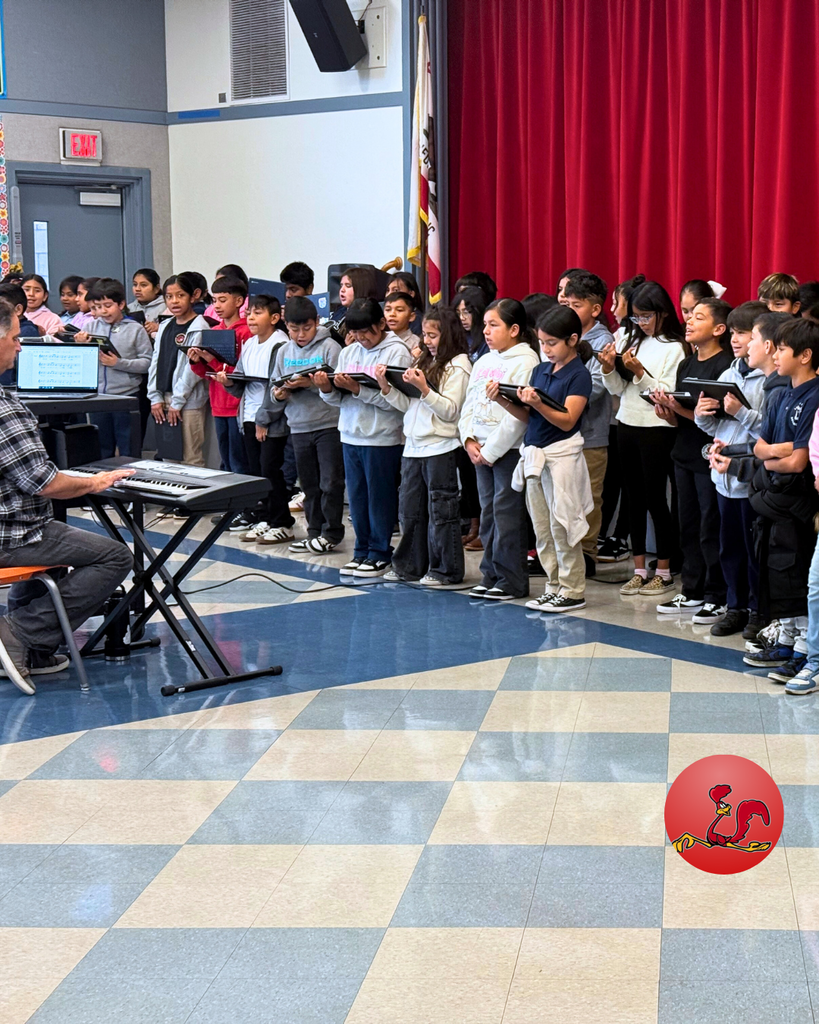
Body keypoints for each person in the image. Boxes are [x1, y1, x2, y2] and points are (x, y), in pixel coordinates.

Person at [0, 298, 135, 694]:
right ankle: (20, 634)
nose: (21, 347)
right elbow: (45, 483)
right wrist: (95, 481)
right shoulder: (5, 409)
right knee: (115, 556)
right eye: (14, 338)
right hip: (13, 534)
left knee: (61, 541)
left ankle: (35, 651)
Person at [489, 305, 593, 613]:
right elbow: (527, 416)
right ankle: (554, 585)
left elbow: (567, 420)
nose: (545, 349)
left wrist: (538, 403)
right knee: (543, 530)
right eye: (542, 343)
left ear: (572, 340)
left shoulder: (579, 375)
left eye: (551, 343)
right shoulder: (540, 370)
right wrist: (502, 399)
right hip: (535, 456)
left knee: (564, 526)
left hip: (562, 458)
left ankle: (573, 589)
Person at [599, 280, 687, 596]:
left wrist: (640, 373)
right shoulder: (631, 339)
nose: (641, 323)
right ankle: (638, 568)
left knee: (654, 499)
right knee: (633, 499)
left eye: (646, 316)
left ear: (662, 313)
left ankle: (662, 568)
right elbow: (618, 392)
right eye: (636, 317)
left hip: (657, 429)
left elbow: (664, 395)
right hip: (627, 423)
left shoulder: (674, 347)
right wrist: (610, 369)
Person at [743, 318, 819, 680]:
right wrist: (775, 452)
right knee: (774, 570)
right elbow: (760, 448)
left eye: (783, 348)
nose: (775, 353)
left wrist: (775, 453)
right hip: (772, 496)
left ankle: (806, 645)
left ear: (805, 355)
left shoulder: (815, 394)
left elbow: (799, 460)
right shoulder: (777, 394)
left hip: (799, 500)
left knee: (796, 572)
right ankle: (787, 636)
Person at [314, 297, 412, 575]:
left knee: (379, 497)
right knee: (356, 498)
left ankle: (380, 552)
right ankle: (361, 550)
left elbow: (399, 402)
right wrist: (327, 389)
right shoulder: (349, 352)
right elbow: (338, 402)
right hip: (350, 434)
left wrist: (359, 390)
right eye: (354, 333)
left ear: (381, 324)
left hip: (382, 437)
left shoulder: (397, 353)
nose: (360, 338)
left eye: (366, 332)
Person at [375, 305, 472, 585]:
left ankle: (446, 569)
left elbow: (451, 410)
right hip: (414, 445)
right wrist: (386, 386)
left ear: (448, 335)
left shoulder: (459, 364)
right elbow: (409, 404)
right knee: (410, 510)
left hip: (441, 446)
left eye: (433, 335)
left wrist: (426, 389)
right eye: (425, 335)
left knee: (442, 511)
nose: (427, 340)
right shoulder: (424, 361)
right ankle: (410, 566)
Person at [652, 299, 733, 621]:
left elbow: (712, 418)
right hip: (683, 452)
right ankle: (691, 590)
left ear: (718, 329)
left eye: (699, 317)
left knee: (709, 526)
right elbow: (683, 421)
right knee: (686, 525)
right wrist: (667, 412)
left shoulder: (723, 366)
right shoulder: (687, 364)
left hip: (709, 457)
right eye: (688, 315)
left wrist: (680, 410)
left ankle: (716, 594)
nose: (689, 321)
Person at [695, 301, 769, 638]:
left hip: (750, 481)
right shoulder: (729, 373)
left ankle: (757, 610)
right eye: (735, 333)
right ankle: (735, 606)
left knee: (754, 552)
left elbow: (769, 434)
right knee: (729, 548)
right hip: (722, 476)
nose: (737, 340)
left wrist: (740, 412)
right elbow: (715, 430)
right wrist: (702, 413)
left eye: (744, 333)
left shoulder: (769, 381)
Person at [459, 298, 541, 601]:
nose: (486, 331)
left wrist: (490, 451)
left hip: (506, 452)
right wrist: (468, 439)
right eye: (485, 325)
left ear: (515, 329)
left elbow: (517, 416)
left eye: (494, 325)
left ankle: (511, 580)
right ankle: (490, 573)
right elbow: (468, 405)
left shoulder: (526, 361)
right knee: (489, 514)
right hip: (479, 450)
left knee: (507, 516)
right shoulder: (483, 361)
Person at [219, 294, 295, 544]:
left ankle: (282, 522)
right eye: (249, 312)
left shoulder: (280, 344)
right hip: (249, 416)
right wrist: (229, 381)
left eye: (258, 313)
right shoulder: (251, 344)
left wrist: (264, 420)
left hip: (269, 419)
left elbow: (276, 386)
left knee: (270, 469)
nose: (250, 317)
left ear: (274, 318)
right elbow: (242, 381)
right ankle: (264, 516)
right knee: (256, 471)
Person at [271, 296, 344, 554]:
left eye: (307, 328)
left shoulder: (330, 347)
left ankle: (332, 531)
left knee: (331, 482)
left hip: (328, 424)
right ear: (285, 325)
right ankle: (314, 531)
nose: (301, 335)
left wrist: (311, 384)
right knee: (309, 485)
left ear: (316, 322)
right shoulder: (283, 351)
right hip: (299, 426)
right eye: (294, 329)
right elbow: (274, 385)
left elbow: (338, 385)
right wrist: (279, 394)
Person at [562, 272, 613, 575]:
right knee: (566, 495)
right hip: (562, 430)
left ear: (595, 309)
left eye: (577, 305)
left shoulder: (601, 340)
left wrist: (564, 396)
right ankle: (567, 553)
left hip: (591, 433)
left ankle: (588, 555)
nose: (570, 311)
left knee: (589, 497)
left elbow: (596, 385)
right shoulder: (563, 333)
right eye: (567, 303)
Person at [74, 278, 152, 458]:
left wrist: (118, 363)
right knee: (101, 448)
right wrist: (81, 347)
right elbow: (81, 365)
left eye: (108, 305)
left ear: (121, 304)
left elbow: (147, 363)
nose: (103, 311)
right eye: (98, 306)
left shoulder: (135, 329)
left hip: (126, 396)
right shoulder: (90, 327)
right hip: (98, 397)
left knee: (129, 449)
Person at [598, 273, 646, 562]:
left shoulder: (652, 341)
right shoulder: (619, 336)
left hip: (643, 419)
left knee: (634, 484)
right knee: (613, 479)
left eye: (619, 303)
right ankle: (606, 533)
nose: (614, 310)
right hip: (618, 417)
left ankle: (622, 536)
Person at [188, 276, 250, 478]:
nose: (217, 305)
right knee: (225, 461)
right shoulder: (213, 331)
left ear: (239, 301)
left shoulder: (246, 333)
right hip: (218, 405)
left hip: (236, 405)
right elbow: (207, 375)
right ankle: (231, 505)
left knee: (239, 461)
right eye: (214, 300)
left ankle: (244, 507)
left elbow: (241, 373)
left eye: (223, 300)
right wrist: (197, 360)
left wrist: (212, 360)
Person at [147, 273, 210, 468]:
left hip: (188, 402)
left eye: (180, 295)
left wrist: (177, 401)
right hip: (164, 399)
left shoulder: (200, 326)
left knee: (191, 458)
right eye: (169, 296)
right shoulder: (165, 325)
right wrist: (155, 398)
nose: (174, 301)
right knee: (168, 456)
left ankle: (194, 498)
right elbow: (155, 362)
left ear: (193, 297)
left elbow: (192, 370)